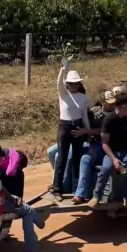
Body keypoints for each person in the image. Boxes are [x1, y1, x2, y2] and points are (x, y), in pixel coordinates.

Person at [89, 95, 127, 207]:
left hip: (126, 152)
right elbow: (104, 144)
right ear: (122, 106)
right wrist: (114, 159)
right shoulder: (109, 120)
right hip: (112, 152)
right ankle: (96, 196)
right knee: (106, 168)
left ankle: (126, 195)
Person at [53, 60, 90, 201]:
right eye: (71, 83)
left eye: (76, 83)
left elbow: (84, 115)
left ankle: (76, 189)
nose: (74, 86)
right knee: (61, 158)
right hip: (65, 127)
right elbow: (58, 83)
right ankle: (57, 190)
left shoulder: (83, 97)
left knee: (77, 158)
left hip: (78, 126)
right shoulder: (63, 94)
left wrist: (87, 131)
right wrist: (63, 68)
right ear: (67, 84)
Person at [71, 90, 116, 204]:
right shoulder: (94, 111)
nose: (112, 105)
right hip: (97, 144)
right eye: (109, 103)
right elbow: (87, 123)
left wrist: (87, 131)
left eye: (113, 102)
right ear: (103, 102)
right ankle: (80, 194)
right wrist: (90, 141)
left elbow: (105, 131)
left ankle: (96, 194)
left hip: (110, 146)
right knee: (85, 159)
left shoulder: (115, 115)